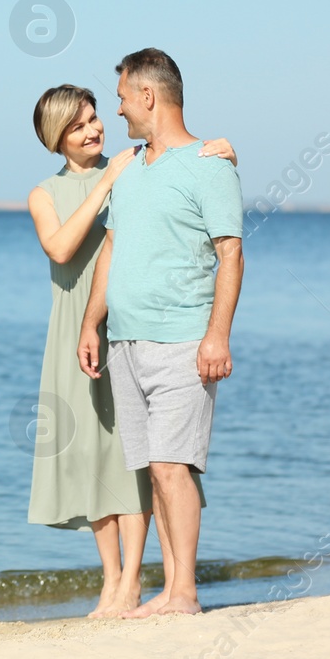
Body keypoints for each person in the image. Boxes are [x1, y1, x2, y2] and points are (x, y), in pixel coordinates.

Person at [27, 83, 234, 617]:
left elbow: (187, 163)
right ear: (56, 138)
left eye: (95, 117)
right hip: (76, 326)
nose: (94, 129)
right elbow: (62, 246)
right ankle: (112, 580)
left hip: (130, 323)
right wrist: (107, 182)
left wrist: (226, 149)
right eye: (78, 125)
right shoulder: (46, 193)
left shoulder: (136, 164)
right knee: (91, 457)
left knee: (136, 459)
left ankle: (137, 581)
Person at [77, 50, 243, 618]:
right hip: (125, 339)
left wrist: (216, 335)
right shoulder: (130, 167)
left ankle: (184, 594)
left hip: (181, 339)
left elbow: (231, 254)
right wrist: (91, 321)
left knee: (175, 466)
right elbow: (112, 248)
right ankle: (172, 590)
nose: (117, 110)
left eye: (122, 97)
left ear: (148, 96)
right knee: (155, 470)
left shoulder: (210, 165)